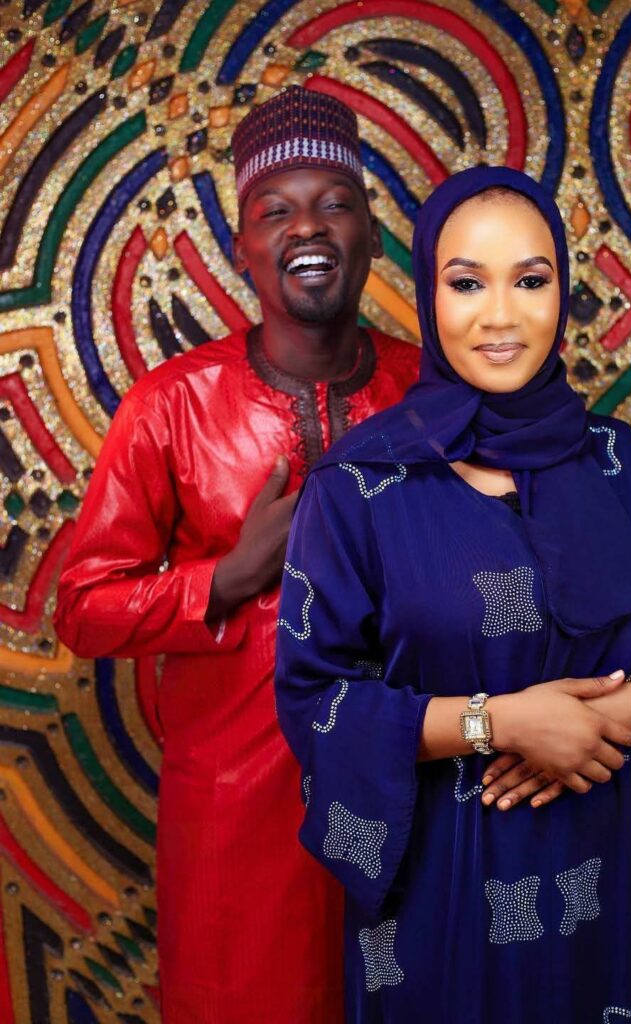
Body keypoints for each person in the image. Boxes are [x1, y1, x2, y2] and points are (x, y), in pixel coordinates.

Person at [274, 166, 631, 1023]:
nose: (502, 316)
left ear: (564, 292)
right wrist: (499, 723)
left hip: (617, 883)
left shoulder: (621, 465)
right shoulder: (360, 484)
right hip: (445, 895)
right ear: (428, 295)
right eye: (468, 283)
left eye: (531, 280)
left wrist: (629, 710)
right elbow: (315, 699)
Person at [54, 85, 420, 1023]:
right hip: (234, 821)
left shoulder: (431, 395)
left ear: (373, 236)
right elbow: (83, 607)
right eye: (276, 210)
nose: (310, 227)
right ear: (242, 247)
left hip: (414, 793)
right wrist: (226, 579)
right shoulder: (171, 406)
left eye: (335, 203)